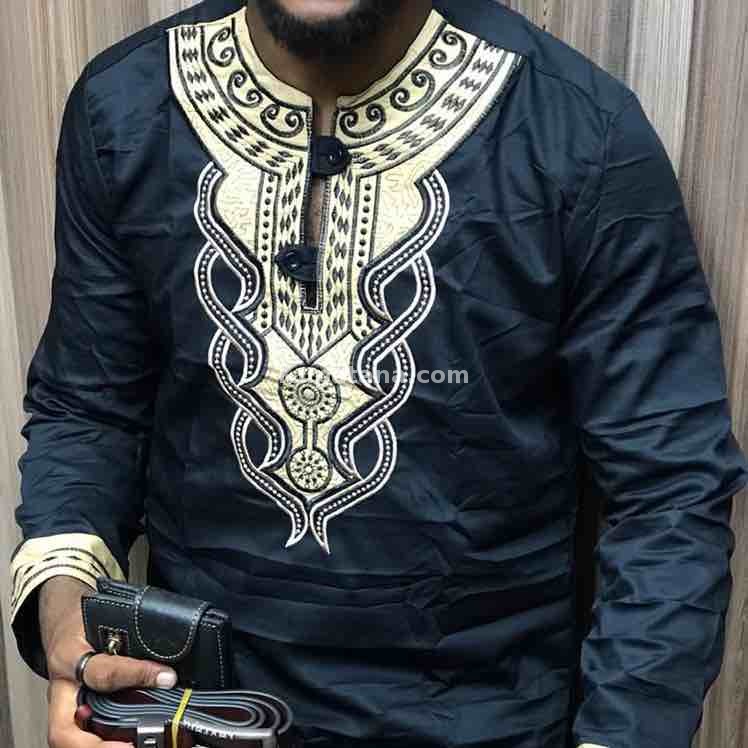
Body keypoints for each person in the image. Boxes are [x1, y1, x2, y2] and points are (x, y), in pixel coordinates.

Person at [9, 0, 748, 746]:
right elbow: (89, 410)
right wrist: (72, 633)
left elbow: (669, 493)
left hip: (484, 718)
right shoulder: (125, 107)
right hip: (191, 708)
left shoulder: (580, 132)